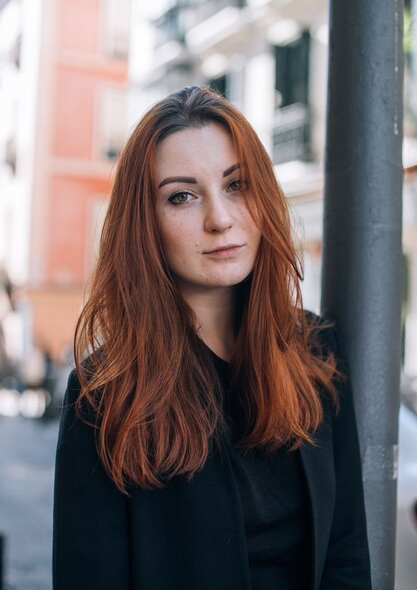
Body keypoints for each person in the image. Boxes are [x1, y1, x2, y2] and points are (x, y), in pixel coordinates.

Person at [53, 86, 372, 590]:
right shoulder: (105, 394)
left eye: (237, 185)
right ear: (146, 224)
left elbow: (347, 558)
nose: (220, 219)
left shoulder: (317, 352)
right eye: (182, 195)